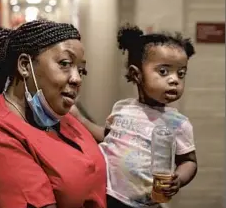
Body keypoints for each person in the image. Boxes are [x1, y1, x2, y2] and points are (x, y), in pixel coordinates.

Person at [0, 20, 107, 208]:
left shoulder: (58, 115)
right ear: (25, 66)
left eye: (81, 70)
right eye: (65, 64)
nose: (77, 78)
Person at [71, 24, 198, 208]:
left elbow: (189, 161)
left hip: (145, 204)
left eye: (181, 73)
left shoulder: (178, 124)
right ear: (136, 74)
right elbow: (108, 137)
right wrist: (80, 120)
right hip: (106, 194)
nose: (174, 80)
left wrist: (179, 179)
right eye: (163, 71)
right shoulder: (122, 109)